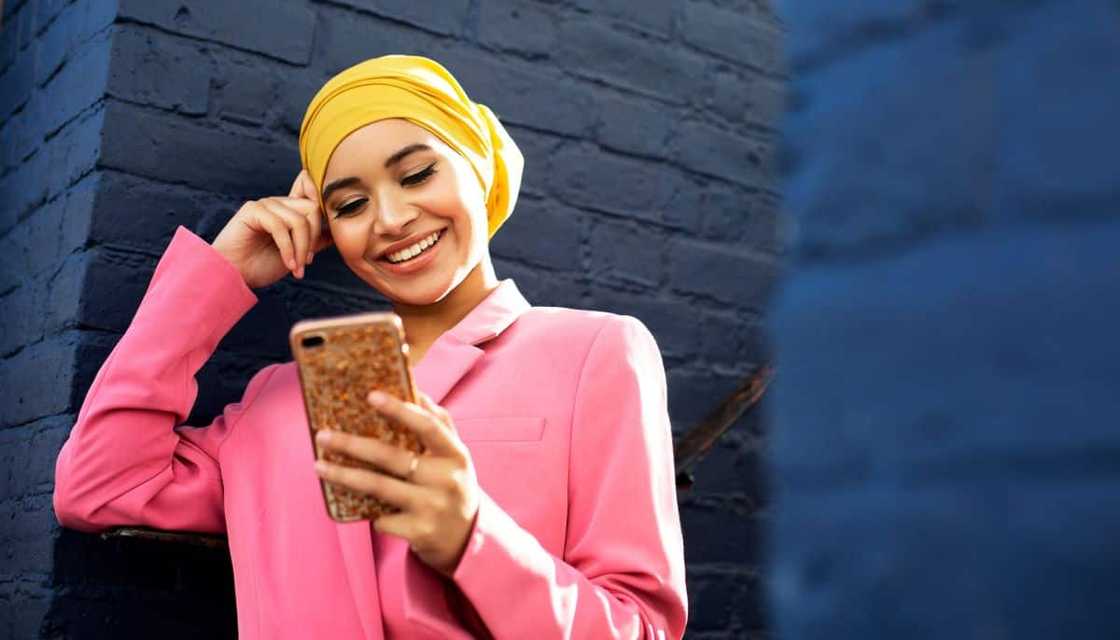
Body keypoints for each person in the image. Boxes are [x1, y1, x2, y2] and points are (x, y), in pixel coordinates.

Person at [52, 54, 688, 639]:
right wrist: (221, 277)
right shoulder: (280, 399)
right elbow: (97, 486)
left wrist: (471, 536)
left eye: (416, 173)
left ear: (479, 164)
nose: (388, 218)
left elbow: (642, 628)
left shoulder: (596, 351)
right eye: (351, 204)